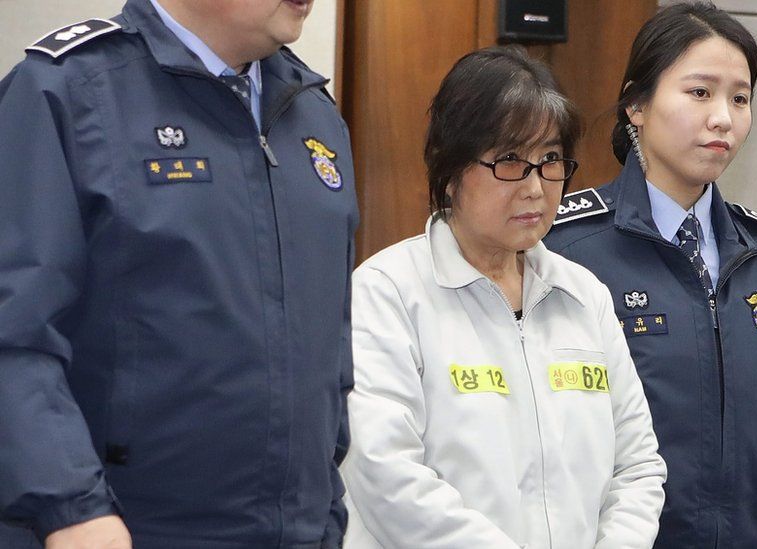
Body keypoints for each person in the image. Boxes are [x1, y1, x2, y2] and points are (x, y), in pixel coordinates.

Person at [0, 0, 358, 547]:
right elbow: (14, 333)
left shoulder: (313, 113)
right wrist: (71, 509)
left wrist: (325, 506)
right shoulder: (69, 90)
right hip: (118, 528)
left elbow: (329, 342)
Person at [543, 2, 757, 547]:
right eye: (700, 92)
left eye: (739, 98)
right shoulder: (566, 248)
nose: (723, 117)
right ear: (636, 105)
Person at [340, 45, 667, 548]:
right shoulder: (387, 292)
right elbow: (384, 471)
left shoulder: (585, 296)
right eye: (510, 160)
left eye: (551, 160)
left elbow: (638, 467)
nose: (536, 187)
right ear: (448, 171)